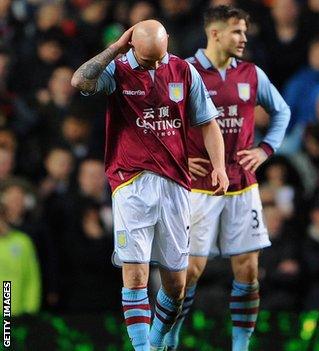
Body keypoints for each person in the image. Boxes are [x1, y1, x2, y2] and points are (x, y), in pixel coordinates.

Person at [71, 20, 227, 351]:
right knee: (136, 277)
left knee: (175, 287)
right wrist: (115, 49)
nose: (154, 66)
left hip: (175, 184)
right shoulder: (117, 70)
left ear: (167, 41)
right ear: (131, 46)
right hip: (130, 183)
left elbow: (209, 124)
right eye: (146, 61)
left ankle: (156, 343)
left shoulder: (184, 72)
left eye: (159, 58)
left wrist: (219, 168)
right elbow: (80, 79)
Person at [165, 6, 290, 351]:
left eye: (245, 32)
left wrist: (266, 149)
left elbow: (282, 111)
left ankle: (240, 346)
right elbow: (158, 121)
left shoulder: (251, 74)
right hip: (197, 188)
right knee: (188, 272)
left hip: (242, 186)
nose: (244, 39)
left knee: (248, 271)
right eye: (237, 32)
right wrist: (179, 158)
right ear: (215, 33)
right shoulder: (184, 72)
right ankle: (171, 337)